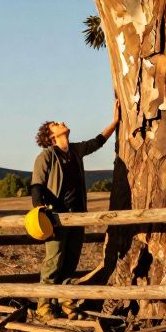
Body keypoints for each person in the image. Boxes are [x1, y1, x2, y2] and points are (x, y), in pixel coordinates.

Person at [29, 101, 120, 320]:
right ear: (52, 137)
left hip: (77, 216)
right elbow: (37, 186)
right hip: (57, 218)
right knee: (53, 262)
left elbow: (97, 142)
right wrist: (41, 210)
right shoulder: (47, 156)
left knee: (71, 263)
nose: (61, 123)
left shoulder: (75, 150)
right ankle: (44, 306)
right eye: (56, 124)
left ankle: (67, 303)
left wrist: (115, 121)